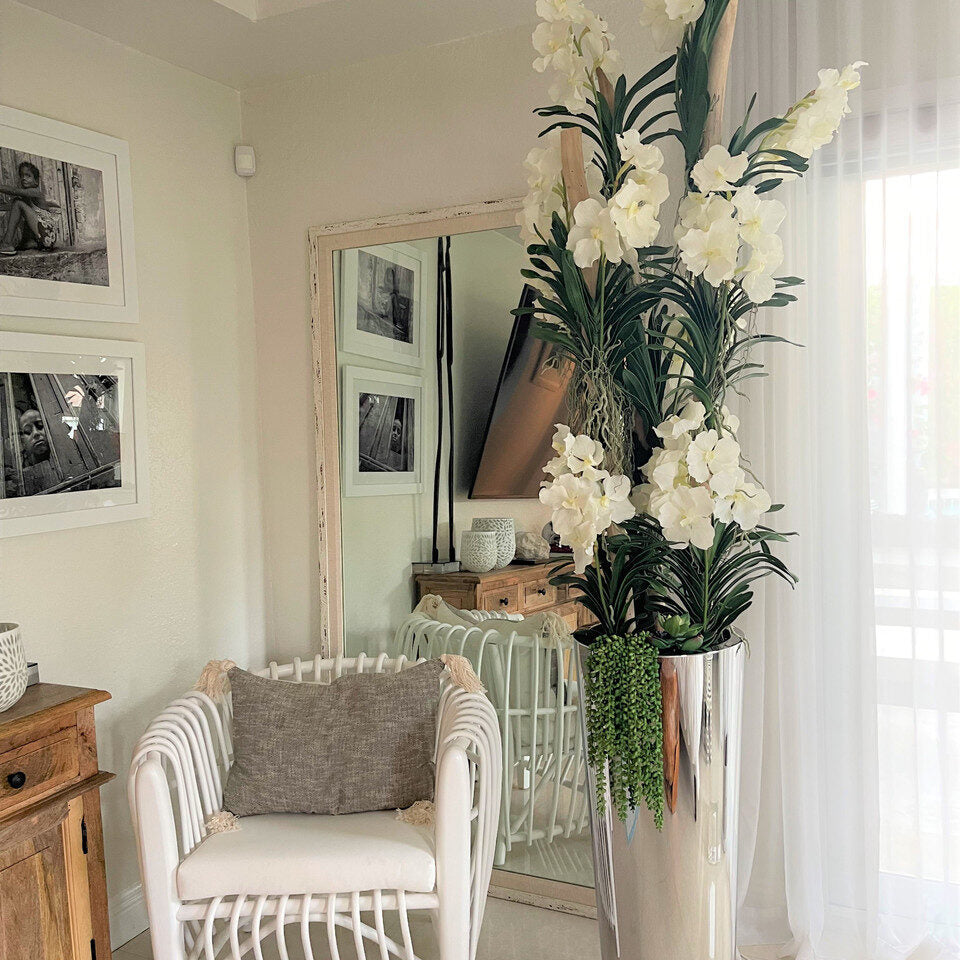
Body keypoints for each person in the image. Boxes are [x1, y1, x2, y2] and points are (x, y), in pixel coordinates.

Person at [0, 161, 62, 255]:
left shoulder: (36, 192)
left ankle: (6, 243)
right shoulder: (27, 197)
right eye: (22, 175)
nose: (24, 178)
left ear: (36, 181)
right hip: (43, 237)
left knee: (18, 203)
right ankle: (28, 243)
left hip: (47, 235)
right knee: (21, 205)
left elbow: (13, 191)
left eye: (28, 176)